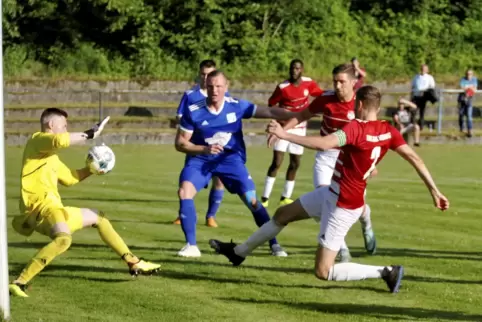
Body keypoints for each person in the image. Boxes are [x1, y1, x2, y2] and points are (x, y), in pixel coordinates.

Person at [209, 85, 449, 293]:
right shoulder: (388, 130)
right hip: (332, 194)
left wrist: (284, 134)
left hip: (342, 205)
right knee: (283, 215)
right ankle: (238, 252)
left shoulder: (356, 129)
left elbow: (323, 143)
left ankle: (386, 272)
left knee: (323, 271)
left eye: (356, 102)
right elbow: (415, 159)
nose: (353, 106)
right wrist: (435, 191)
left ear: (362, 103)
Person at [9, 108, 161, 298]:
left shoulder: (51, 157)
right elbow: (61, 140)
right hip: (42, 209)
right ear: (51, 125)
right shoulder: (37, 140)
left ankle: (133, 261)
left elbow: (70, 178)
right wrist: (91, 134)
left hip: (54, 210)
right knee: (64, 240)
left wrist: (94, 168)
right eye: (64, 125)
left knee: (99, 218)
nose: (66, 129)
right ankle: (19, 282)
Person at [174, 70, 303, 258]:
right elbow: (180, 144)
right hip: (202, 159)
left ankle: (274, 245)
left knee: (252, 201)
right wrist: (203, 149)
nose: (214, 90)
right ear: (206, 87)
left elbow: (267, 111)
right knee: (184, 192)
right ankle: (191, 245)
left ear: (226, 87)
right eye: (210, 86)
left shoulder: (236, 106)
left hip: (230, 160)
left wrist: (298, 114)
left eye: (219, 86)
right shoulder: (193, 111)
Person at [268, 63, 376, 262]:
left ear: (353, 82)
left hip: (351, 160)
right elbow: (301, 115)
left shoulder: (360, 103)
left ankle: (366, 220)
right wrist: (282, 133)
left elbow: (370, 133)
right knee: (329, 202)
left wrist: (371, 162)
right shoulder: (326, 99)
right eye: (335, 81)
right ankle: (342, 251)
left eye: (342, 82)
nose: (337, 86)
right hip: (325, 158)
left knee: (357, 207)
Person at [173, 59, 228, 228]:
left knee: (219, 181)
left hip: (217, 146)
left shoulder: (224, 95)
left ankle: (210, 216)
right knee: (188, 182)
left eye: (209, 74)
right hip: (196, 148)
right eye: (203, 74)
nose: (205, 78)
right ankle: (183, 215)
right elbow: (180, 117)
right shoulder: (190, 95)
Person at [261, 59, 323, 207]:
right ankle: (264, 198)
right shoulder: (283, 87)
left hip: (300, 129)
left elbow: (320, 95)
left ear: (302, 70)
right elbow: (271, 104)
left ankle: (285, 197)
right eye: (292, 68)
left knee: (295, 163)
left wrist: (314, 110)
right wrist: (278, 121)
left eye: (297, 68)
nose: (294, 71)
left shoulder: (309, 83)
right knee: (277, 162)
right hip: (283, 128)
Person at [411, 64, 436, 130]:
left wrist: (425, 91)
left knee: (422, 112)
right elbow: (412, 87)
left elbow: (432, 87)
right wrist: (412, 95)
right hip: (416, 96)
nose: (423, 70)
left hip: (424, 97)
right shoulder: (416, 77)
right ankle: (413, 126)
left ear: (427, 70)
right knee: (413, 111)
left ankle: (421, 126)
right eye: (422, 69)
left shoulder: (430, 77)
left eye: (425, 69)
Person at [458, 69, 478, 138]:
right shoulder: (463, 79)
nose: (468, 75)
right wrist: (469, 88)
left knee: (469, 116)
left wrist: (467, 89)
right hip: (462, 99)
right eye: (467, 74)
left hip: (469, 100)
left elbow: (474, 88)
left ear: (472, 75)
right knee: (461, 115)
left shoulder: (474, 79)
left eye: (470, 74)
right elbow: (461, 87)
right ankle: (461, 128)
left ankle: (470, 130)